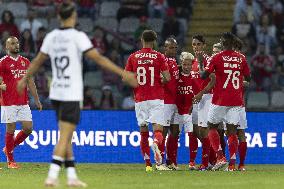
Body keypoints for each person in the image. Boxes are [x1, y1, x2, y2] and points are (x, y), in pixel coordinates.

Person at [17, 3, 137, 187]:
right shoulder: (78, 36)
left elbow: (37, 61)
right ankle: (52, 175)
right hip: (71, 93)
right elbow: (98, 58)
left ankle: (72, 176)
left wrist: (24, 78)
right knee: (65, 136)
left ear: (59, 17)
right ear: (73, 17)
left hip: (56, 92)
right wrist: (122, 73)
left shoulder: (51, 36)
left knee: (67, 134)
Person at [200, 32, 251, 171]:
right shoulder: (241, 58)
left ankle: (220, 156)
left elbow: (204, 75)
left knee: (211, 126)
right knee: (232, 131)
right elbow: (248, 77)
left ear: (222, 43)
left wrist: (202, 70)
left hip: (220, 99)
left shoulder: (217, 57)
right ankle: (233, 164)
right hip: (236, 100)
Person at [125, 29, 171, 171]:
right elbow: (168, 78)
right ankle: (156, 145)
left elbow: (126, 78)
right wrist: (159, 79)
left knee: (143, 131)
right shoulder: (159, 56)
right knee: (158, 130)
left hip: (140, 99)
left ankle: (148, 165)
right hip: (156, 97)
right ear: (154, 41)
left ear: (142, 40)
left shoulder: (133, 57)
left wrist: (138, 83)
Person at [0, 36, 42, 169]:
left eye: (17, 43)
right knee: (11, 129)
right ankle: (10, 160)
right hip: (8, 101)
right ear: (7, 47)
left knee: (28, 129)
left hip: (23, 101)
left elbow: (30, 82)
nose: (16, 45)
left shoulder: (25, 62)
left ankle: (8, 148)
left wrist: (37, 100)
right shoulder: (2, 62)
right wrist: (0, 86)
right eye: (12, 43)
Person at [189, 35, 215, 170]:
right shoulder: (193, 61)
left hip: (206, 98)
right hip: (196, 100)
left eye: (199, 44)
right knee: (196, 131)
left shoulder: (208, 60)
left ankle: (205, 164)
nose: (196, 47)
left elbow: (213, 80)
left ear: (204, 45)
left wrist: (201, 93)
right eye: (194, 44)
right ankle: (213, 160)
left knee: (204, 131)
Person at [161, 37, 180, 170]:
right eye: (171, 47)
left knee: (175, 132)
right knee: (163, 132)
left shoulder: (174, 61)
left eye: (175, 47)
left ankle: (171, 161)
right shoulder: (161, 60)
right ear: (165, 48)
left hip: (175, 101)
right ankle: (160, 161)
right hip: (165, 102)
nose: (173, 50)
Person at [176, 52, 196, 169]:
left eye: (189, 64)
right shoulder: (176, 76)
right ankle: (172, 161)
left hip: (189, 111)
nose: (187, 67)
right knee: (174, 136)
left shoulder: (195, 77)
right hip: (177, 111)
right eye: (184, 64)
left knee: (191, 136)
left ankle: (192, 162)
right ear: (181, 64)